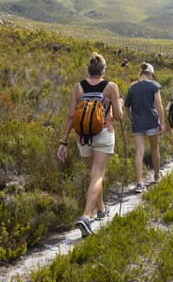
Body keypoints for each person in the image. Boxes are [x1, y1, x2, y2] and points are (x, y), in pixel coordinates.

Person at [57, 52, 123, 237]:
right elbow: (118, 116)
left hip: (82, 137)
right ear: (103, 70)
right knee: (98, 176)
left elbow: (71, 116)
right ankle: (86, 216)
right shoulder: (111, 87)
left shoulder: (77, 88)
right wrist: (120, 104)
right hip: (103, 133)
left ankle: (101, 209)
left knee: (94, 174)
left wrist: (63, 142)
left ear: (88, 69)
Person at [124, 62, 165, 193]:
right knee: (154, 148)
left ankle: (139, 183)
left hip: (138, 123)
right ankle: (157, 175)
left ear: (141, 73)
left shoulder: (132, 87)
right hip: (152, 121)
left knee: (139, 152)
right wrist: (162, 123)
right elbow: (158, 104)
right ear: (150, 74)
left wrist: (132, 119)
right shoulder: (154, 86)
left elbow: (127, 107)